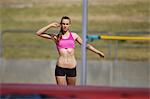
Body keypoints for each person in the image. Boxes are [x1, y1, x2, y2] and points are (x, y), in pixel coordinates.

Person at [36, 16, 104, 86]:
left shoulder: (74, 36)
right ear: (61, 24)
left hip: (71, 67)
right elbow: (38, 33)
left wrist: (98, 52)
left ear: (69, 25)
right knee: (61, 92)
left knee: (71, 91)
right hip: (60, 67)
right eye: (63, 24)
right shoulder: (56, 37)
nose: (65, 26)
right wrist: (51, 25)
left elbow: (86, 45)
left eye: (67, 24)